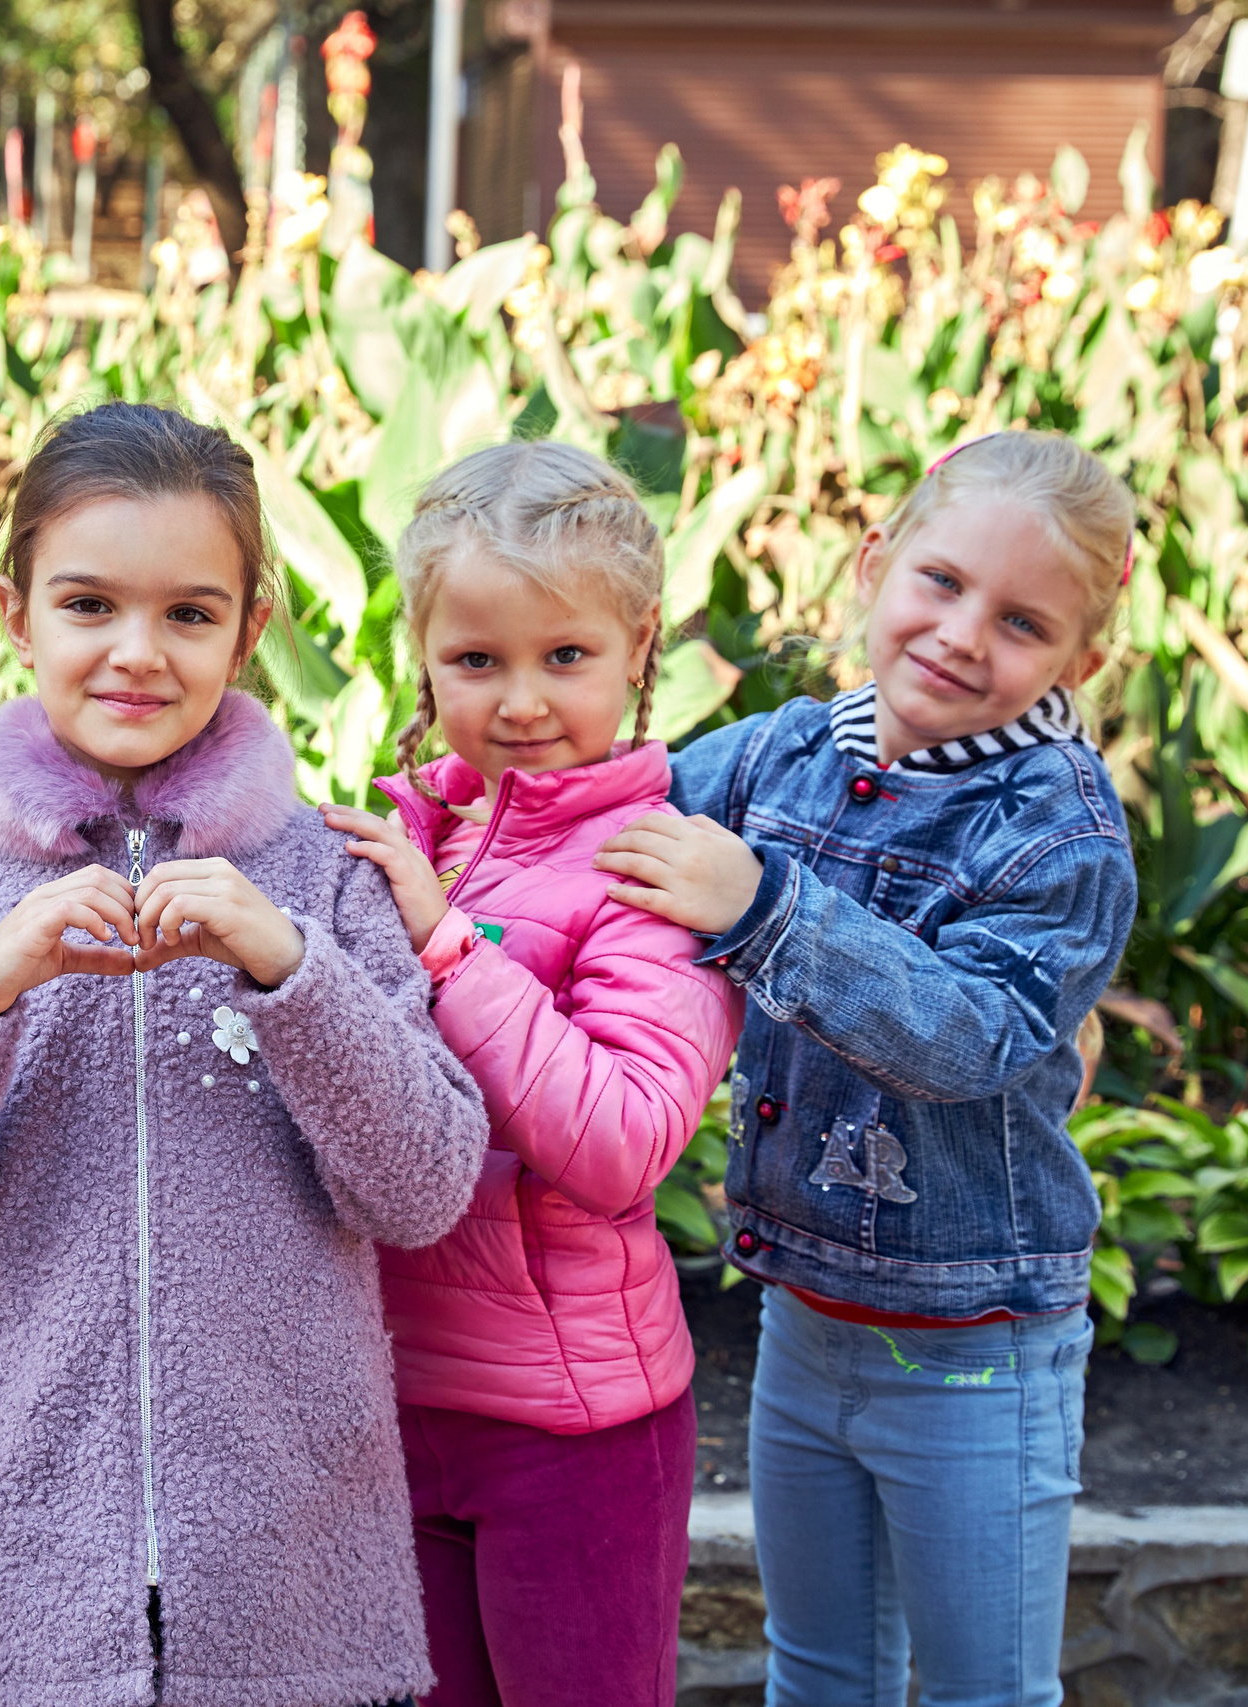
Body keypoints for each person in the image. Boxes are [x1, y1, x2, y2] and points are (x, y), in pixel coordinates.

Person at [0, 401, 491, 1707]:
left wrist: (293, 970)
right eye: (88, 604)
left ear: (252, 626)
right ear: (16, 612)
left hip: (294, 1607)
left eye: (188, 612)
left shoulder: (327, 880)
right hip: (23, 1605)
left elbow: (421, 1188)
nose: (138, 651)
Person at [595, 431, 1138, 1705]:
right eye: (940, 582)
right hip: (806, 1316)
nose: (960, 634)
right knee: (818, 1669)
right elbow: (605, 809)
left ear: (1081, 660)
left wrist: (762, 908)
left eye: (1020, 621)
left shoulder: (1056, 830)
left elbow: (968, 1039)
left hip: (974, 1346)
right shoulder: (779, 755)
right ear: (875, 562)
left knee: (980, 1692)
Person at [319, 441, 739, 1706]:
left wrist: (447, 944)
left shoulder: (658, 865)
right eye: (475, 661)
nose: (519, 701)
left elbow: (620, 1141)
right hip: (402, 1401)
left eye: (566, 657)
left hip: (575, 1429)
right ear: (423, 655)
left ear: (637, 648)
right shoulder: (402, 836)